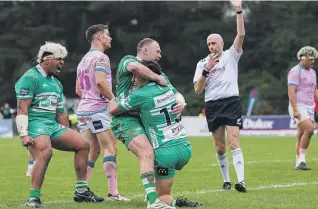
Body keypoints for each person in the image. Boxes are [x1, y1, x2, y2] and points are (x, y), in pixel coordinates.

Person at [15, 41, 104, 208]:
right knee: (45, 152)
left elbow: (61, 113)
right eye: (59, 59)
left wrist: (67, 131)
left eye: (63, 59)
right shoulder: (29, 78)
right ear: (47, 60)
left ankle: (81, 191)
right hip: (35, 123)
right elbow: (22, 109)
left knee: (83, 145)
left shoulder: (56, 83)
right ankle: (33, 198)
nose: (62, 62)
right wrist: (24, 134)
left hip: (52, 125)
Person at [109, 61, 202, 208]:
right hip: (184, 148)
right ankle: (178, 203)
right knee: (164, 195)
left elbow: (113, 111)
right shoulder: (168, 88)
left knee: (158, 195)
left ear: (145, 76)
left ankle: (153, 202)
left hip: (164, 153)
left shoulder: (139, 95)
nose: (133, 80)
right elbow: (178, 97)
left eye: (135, 76)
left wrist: (113, 98)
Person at [193, 0, 246, 192]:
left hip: (231, 102)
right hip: (213, 105)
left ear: (222, 43)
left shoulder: (231, 55)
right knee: (219, 147)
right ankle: (226, 181)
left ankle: (241, 181)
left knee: (233, 142)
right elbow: (198, 89)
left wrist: (238, 10)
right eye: (208, 44)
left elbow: (241, 34)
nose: (211, 46)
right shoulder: (201, 63)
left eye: (214, 43)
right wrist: (207, 70)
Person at [75, 24, 129, 201]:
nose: (110, 38)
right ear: (99, 37)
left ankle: (82, 190)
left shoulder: (83, 60)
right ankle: (113, 193)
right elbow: (100, 82)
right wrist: (114, 99)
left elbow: (78, 89)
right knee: (110, 147)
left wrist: (89, 99)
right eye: (107, 35)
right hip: (98, 109)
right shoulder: (101, 58)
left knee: (92, 150)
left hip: (83, 110)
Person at [288, 46, 318, 170]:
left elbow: (314, 90)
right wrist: (295, 109)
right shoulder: (295, 71)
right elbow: (291, 91)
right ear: (303, 58)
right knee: (310, 128)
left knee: (301, 134)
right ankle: (302, 160)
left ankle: (298, 162)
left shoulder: (313, 72)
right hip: (298, 106)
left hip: (310, 106)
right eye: (310, 59)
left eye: (314, 59)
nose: (313, 62)